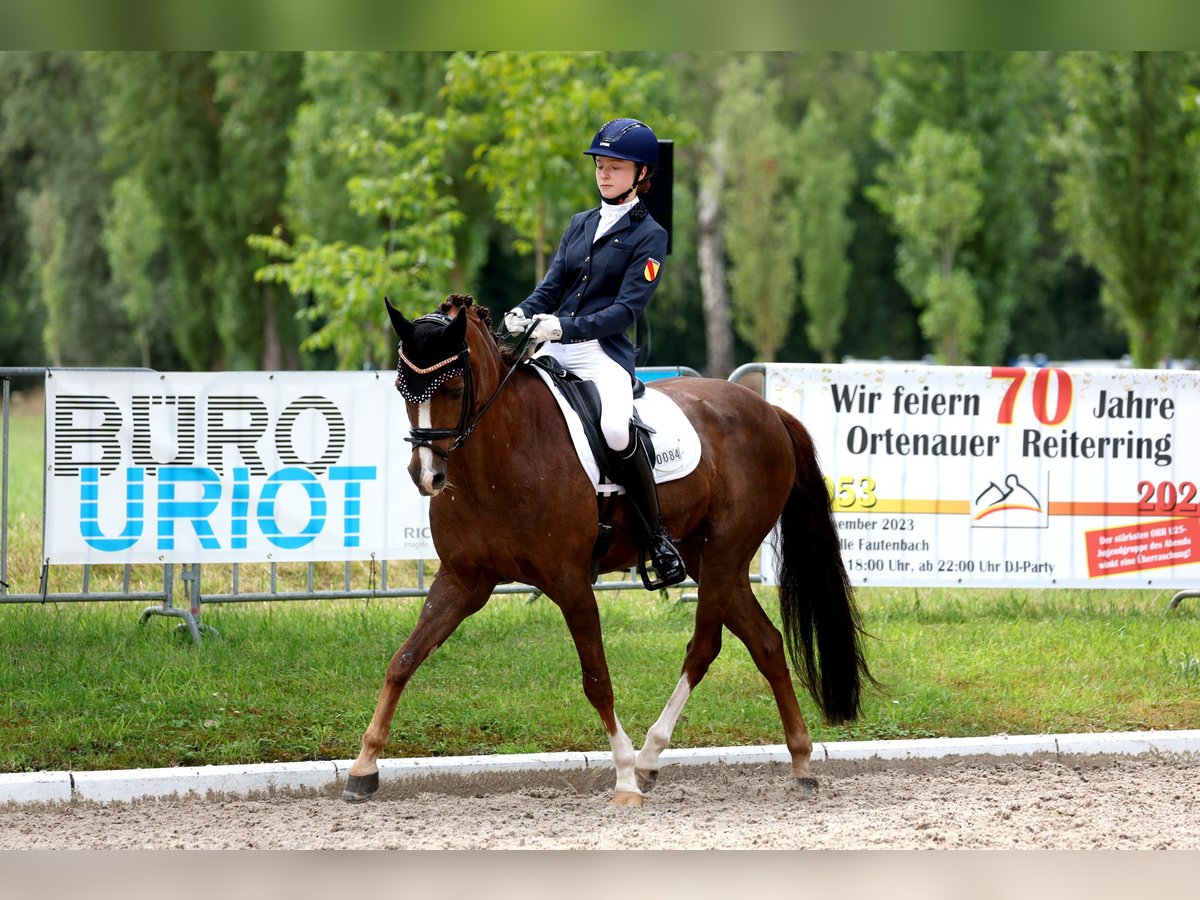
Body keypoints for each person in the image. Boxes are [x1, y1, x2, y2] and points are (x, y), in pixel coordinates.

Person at [504, 117, 686, 587]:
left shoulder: (651, 236)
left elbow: (625, 311)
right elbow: (550, 288)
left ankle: (657, 537)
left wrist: (565, 327)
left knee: (614, 428)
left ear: (641, 174)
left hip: (601, 352)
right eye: (601, 166)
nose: (604, 175)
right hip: (554, 342)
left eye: (616, 167)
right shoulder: (579, 224)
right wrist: (520, 313)